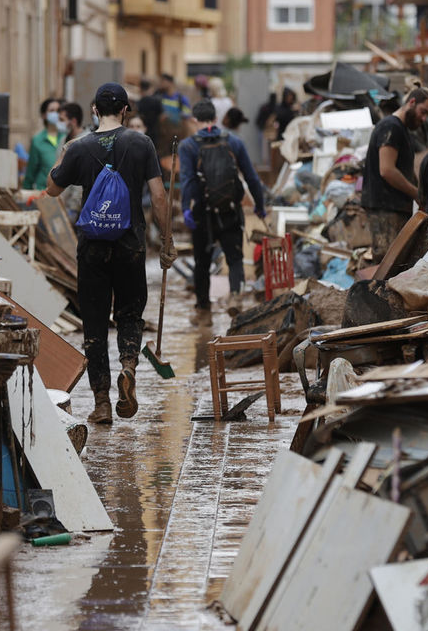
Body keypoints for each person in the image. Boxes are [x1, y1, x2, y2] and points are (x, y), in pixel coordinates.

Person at [47, 83, 176, 424]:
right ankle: (129, 366)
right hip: (130, 244)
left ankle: (102, 403)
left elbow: (52, 188)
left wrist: (63, 155)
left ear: (93, 110)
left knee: (93, 323)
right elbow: (159, 198)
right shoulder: (141, 144)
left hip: (92, 248)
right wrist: (167, 240)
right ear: (125, 110)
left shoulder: (79, 147)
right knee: (130, 314)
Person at [179, 100, 267, 316]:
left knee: (202, 262)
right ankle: (235, 296)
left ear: (194, 121)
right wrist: (259, 205)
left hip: (202, 213)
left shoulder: (188, 146)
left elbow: (188, 181)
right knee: (235, 259)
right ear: (216, 120)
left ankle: (204, 311)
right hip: (230, 211)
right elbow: (251, 177)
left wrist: (186, 209)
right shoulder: (234, 142)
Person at [362, 87, 428, 258]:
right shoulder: (391, 127)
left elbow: (405, 170)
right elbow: (387, 170)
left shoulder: (401, 130)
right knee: (386, 265)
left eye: (427, 115)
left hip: (392, 209)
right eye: (422, 112)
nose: (424, 119)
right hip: (385, 209)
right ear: (411, 102)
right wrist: (417, 194)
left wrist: (423, 191)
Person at [22, 98, 63, 191]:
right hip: (44, 191)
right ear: (44, 115)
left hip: (63, 193)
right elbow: (31, 170)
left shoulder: (66, 138)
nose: (56, 114)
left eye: (58, 110)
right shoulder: (37, 140)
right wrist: (26, 191)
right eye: (52, 110)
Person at [137, 78, 164, 147]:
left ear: (140, 89)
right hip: (155, 131)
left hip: (142, 130)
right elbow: (162, 116)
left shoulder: (140, 102)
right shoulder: (156, 101)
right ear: (150, 88)